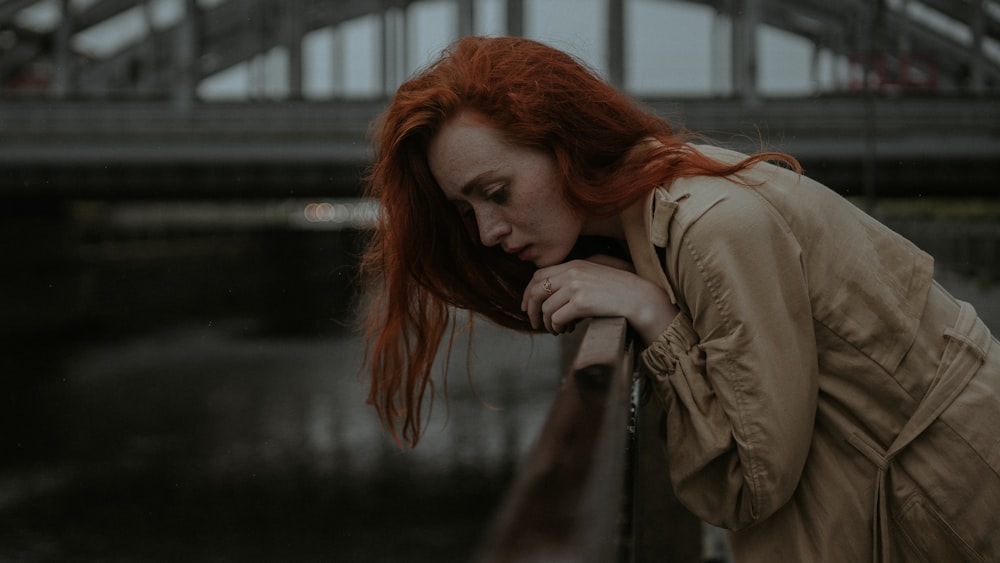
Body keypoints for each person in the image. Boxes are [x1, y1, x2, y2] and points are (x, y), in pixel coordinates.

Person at [358, 35, 1000, 562]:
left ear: (568, 145)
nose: (488, 232)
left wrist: (656, 319)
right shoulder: (664, 204)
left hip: (953, 501)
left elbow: (748, 486)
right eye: (465, 210)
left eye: (495, 192)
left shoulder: (710, 225)